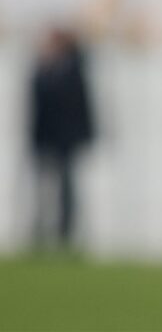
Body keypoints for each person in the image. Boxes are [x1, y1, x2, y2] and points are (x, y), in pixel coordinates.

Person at [29, 26, 94, 249]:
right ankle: (41, 231)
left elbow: (78, 109)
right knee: (43, 188)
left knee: (66, 189)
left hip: (65, 141)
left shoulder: (72, 70)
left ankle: (64, 233)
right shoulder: (45, 69)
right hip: (45, 139)